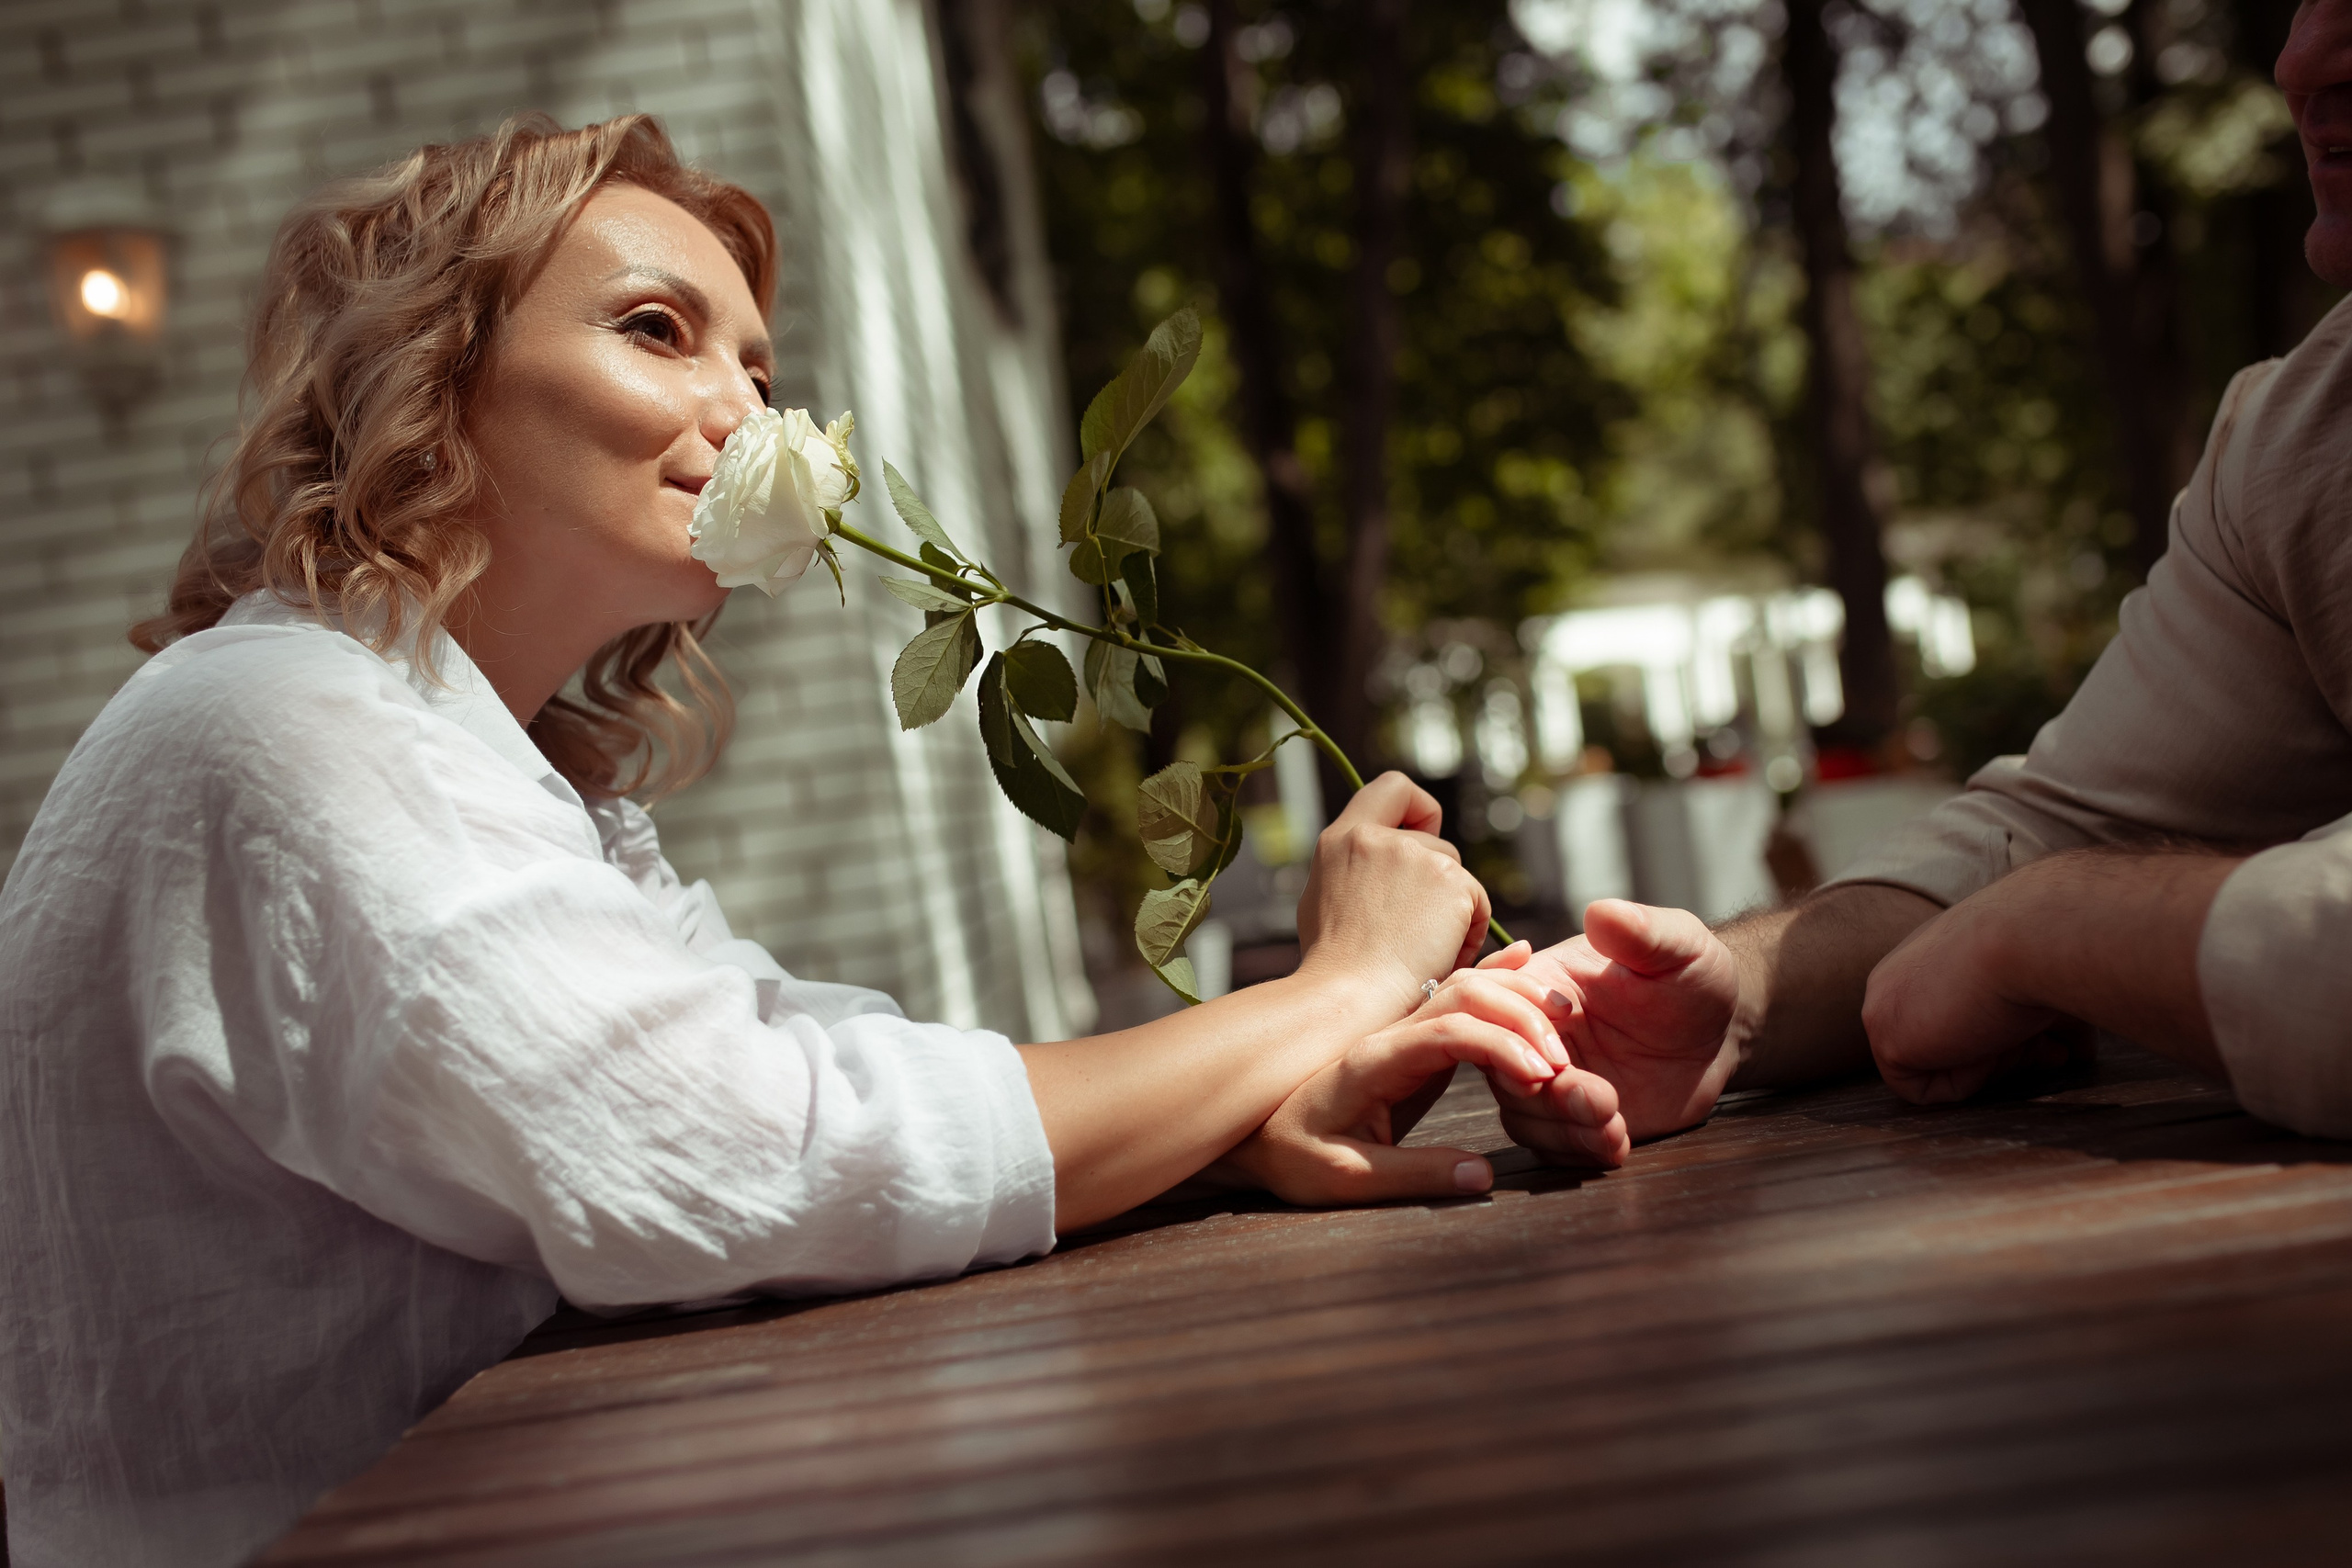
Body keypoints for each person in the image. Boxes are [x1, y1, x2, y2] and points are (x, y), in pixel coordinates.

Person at [0, 115, 1632, 1568]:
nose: (747, 409)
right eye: (658, 331)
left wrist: (1231, 1131)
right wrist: (1334, 987)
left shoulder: (482, 756)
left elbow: (815, 1061)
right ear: (436, 371)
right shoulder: (289, 728)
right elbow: (757, 1153)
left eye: (764, 374)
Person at [1486, 0, 2352, 1163]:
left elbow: (2047, 879)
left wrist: (2048, 926)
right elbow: (2059, 825)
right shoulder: (2302, 436)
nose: (2301, 57)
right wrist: (1735, 1002)